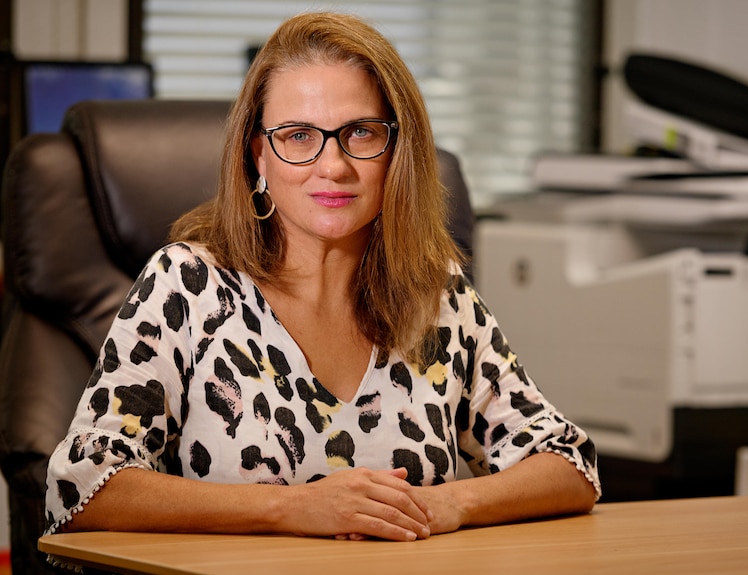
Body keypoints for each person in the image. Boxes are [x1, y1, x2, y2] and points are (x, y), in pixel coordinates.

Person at [44, 11, 600, 544]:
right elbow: (84, 486)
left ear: (396, 151)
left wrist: (449, 503)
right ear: (260, 155)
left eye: (359, 132)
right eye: (299, 136)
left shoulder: (437, 295)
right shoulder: (187, 285)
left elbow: (568, 465)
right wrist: (293, 509)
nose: (333, 166)